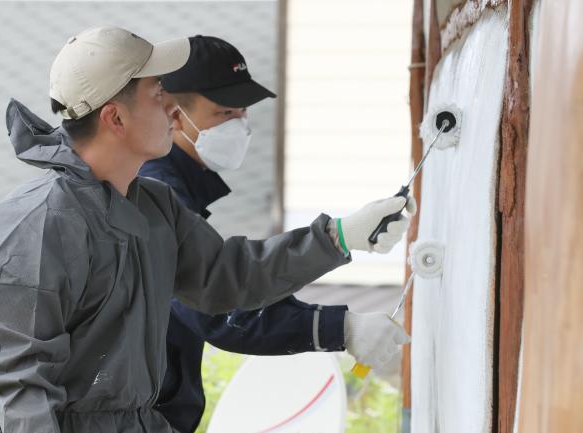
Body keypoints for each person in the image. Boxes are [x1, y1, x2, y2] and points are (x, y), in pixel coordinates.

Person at [0, 26, 414, 433]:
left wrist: (338, 236)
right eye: (157, 93)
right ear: (114, 119)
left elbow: (229, 277)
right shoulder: (34, 224)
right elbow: (18, 387)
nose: (172, 107)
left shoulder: (154, 207)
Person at [137, 35, 413, 433]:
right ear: (174, 115)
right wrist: (341, 326)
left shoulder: (170, 188)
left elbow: (233, 280)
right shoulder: (157, 193)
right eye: (224, 112)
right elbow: (220, 304)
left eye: (243, 113)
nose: (240, 126)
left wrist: (343, 236)